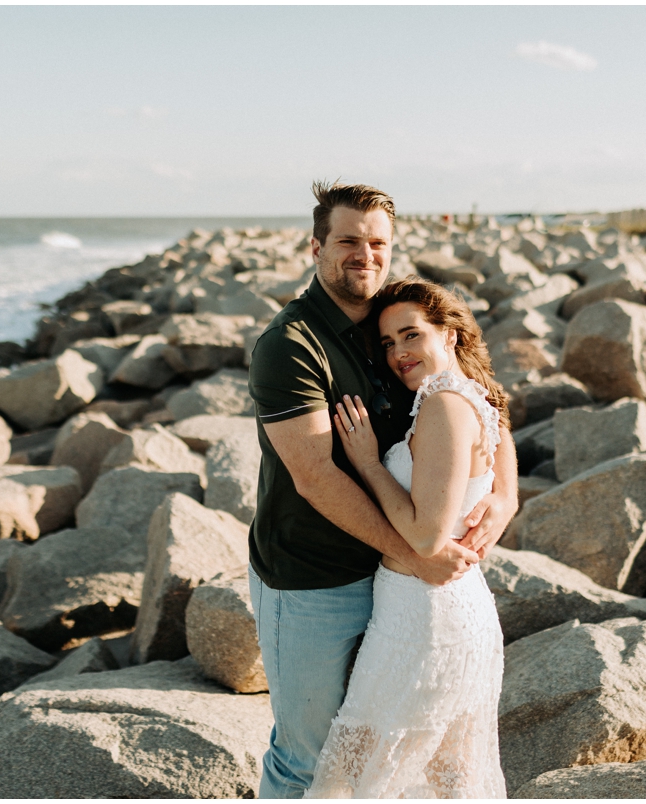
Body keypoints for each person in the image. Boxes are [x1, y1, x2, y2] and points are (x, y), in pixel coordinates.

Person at [247, 182, 519, 798]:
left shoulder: (395, 319)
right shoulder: (290, 346)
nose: (364, 255)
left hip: (401, 586)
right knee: (311, 758)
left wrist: (503, 497)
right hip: (314, 580)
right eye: (347, 241)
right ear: (316, 246)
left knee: (394, 760)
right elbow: (315, 476)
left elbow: (478, 397)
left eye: (377, 243)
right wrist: (420, 550)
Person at [306, 277, 511, 797]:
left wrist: (370, 464)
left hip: (422, 622)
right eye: (389, 343)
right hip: (449, 609)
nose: (398, 353)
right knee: (446, 777)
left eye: (411, 335)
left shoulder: (444, 405)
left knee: (347, 779)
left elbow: (425, 537)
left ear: (451, 335)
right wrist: (506, 494)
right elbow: (498, 438)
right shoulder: (468, 394)